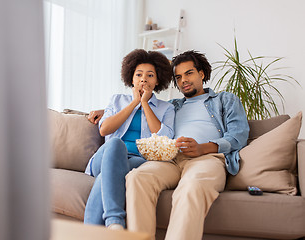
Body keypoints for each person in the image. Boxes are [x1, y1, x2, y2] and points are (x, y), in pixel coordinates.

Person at [88, 50, 249, 239]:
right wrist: (103, 110)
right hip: (170, 159)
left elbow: (238, 136)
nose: (183, 81)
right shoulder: (172, 105)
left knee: (191, 188)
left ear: (201, 74)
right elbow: (142, 109)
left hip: (205, 157)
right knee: (137, 178)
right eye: (178, 77)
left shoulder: (224, 100)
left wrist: (202, 147)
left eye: (189, 73)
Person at [84, 49, 175, 231]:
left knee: (107, 177)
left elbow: (164, 138)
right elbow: (104, 129)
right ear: (131, 78)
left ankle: (99, 231)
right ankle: (114, 220)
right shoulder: (117, 100)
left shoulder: (166, 108)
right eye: (139, 74)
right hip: (105, 157)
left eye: (150, 75)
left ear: (157, 81)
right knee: (116, 144)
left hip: (137, 161)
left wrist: (145, 104)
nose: (143, 79)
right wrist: (134, 103)